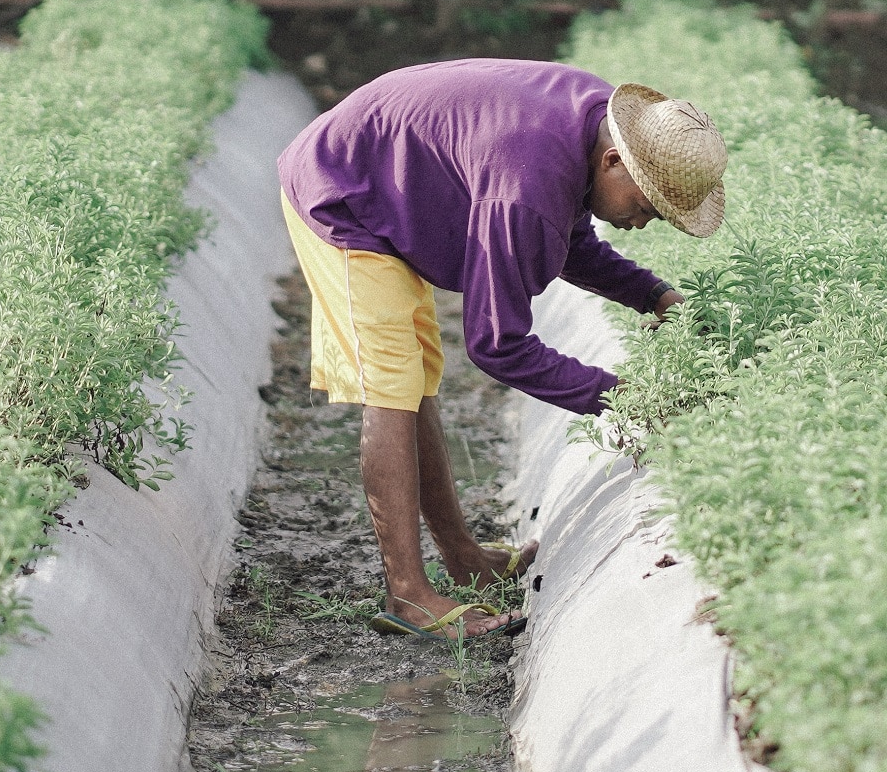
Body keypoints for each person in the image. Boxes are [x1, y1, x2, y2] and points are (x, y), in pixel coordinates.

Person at [277, 59, 726, 641]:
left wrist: (655, 296)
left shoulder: (592, 124)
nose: (644, 223)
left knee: (412, 381)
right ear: (615, 161)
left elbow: (568, 242)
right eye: (646, 205)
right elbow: (497, 344)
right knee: (389, 384)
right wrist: (629, 399)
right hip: (344, 191)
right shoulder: (529, 182)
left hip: (385, 173)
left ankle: (465, 558)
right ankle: (407, 597)